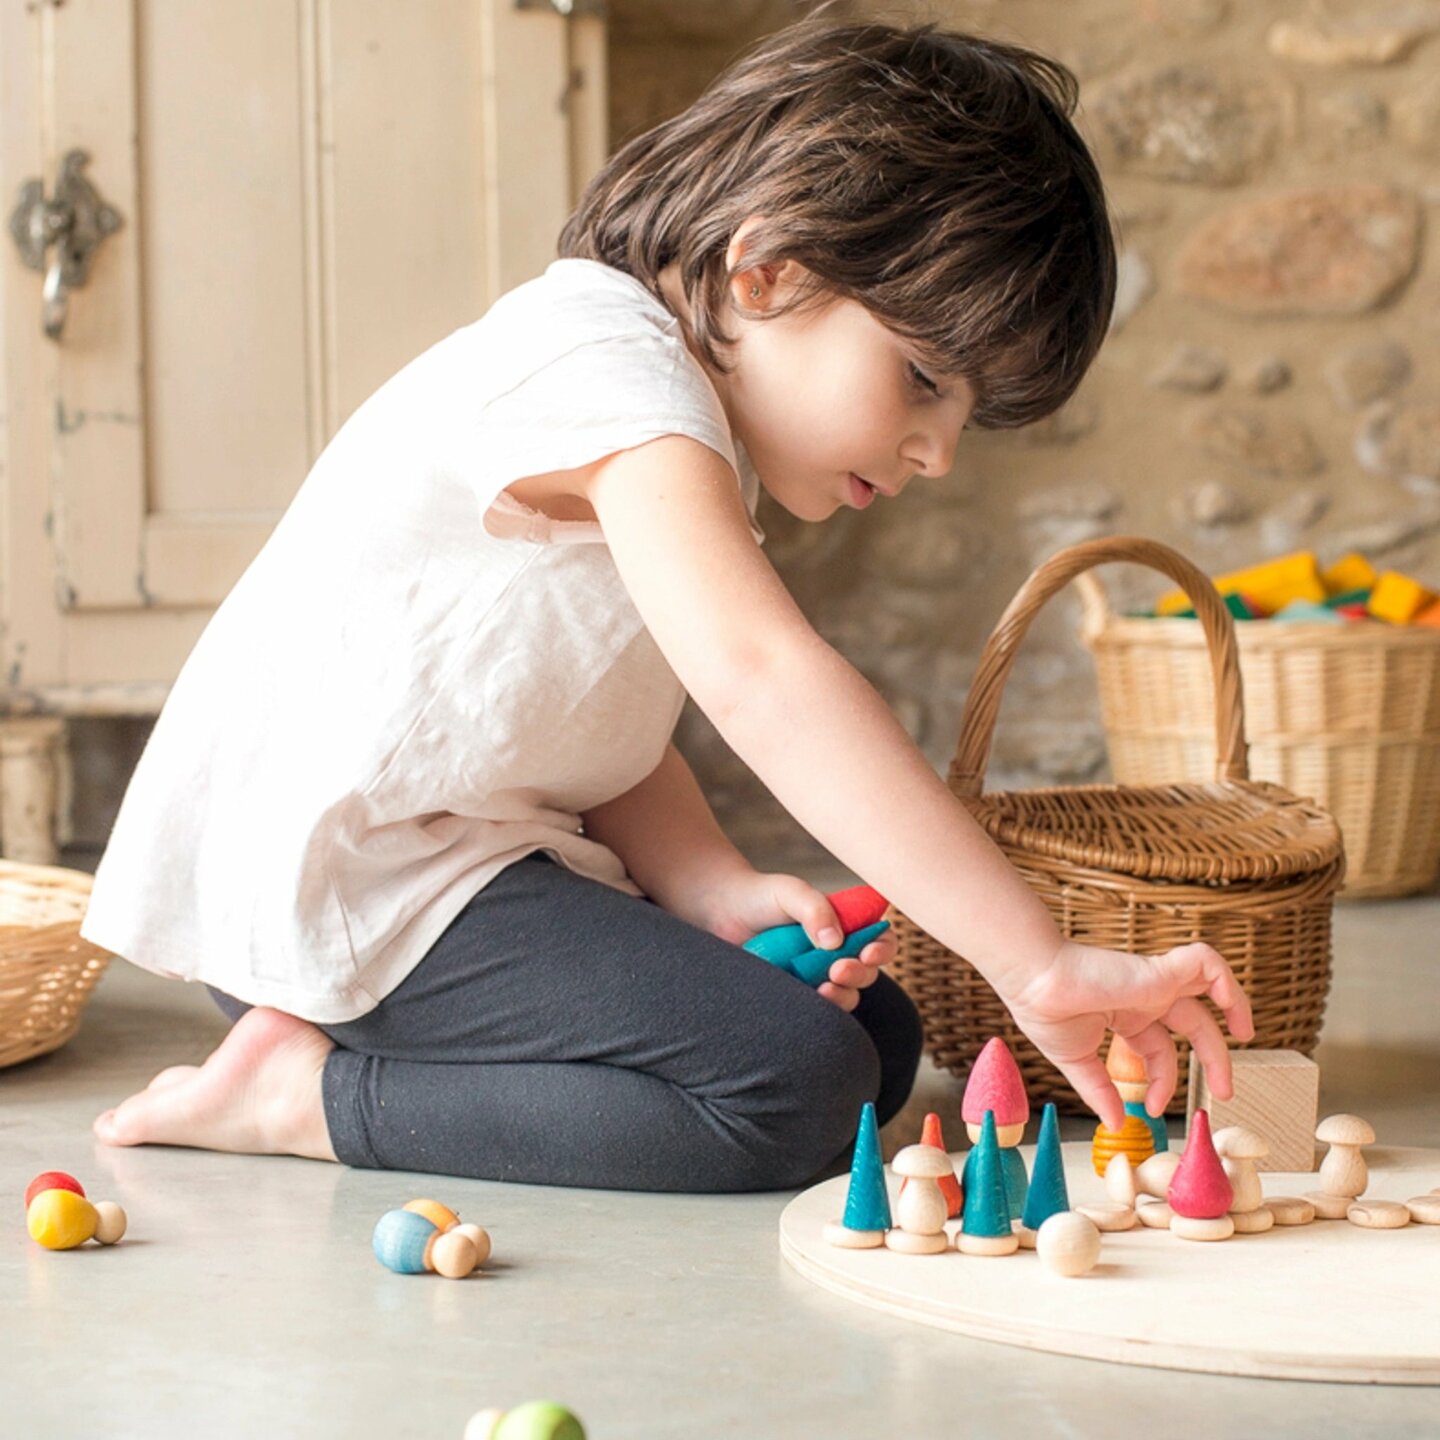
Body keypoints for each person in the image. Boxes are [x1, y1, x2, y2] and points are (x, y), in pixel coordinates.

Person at [84, 17, 1252, 1193]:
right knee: (789, 1091)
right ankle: (309, 1096)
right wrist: (1037, 963)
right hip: (342, 889)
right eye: (921, 379)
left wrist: (708, 885)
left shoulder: (675, 416)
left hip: (460, 869)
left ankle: (347, 1059)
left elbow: (598, 715)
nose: (936, 452)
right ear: (770, 269)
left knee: (874, 1041)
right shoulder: (611, 375)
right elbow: (760, 678)